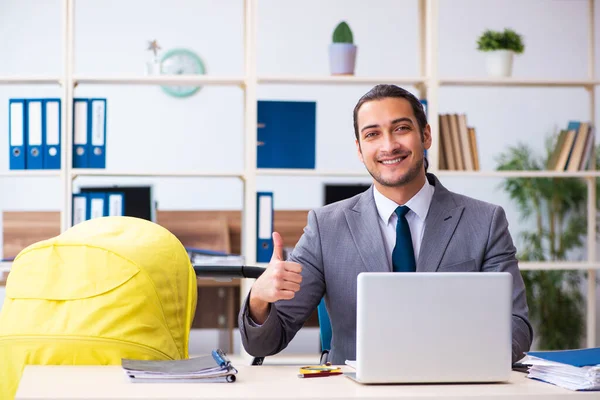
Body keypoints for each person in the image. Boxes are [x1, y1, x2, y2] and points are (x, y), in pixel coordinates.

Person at [238, 84, 533, 365]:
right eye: (372, 134)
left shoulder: (485, 221)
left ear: (426, 135)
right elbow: (264, 344)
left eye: (401, 129)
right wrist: (259, 299)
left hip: (452, 387)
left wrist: (456, 365)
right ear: (359, 148)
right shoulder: (325, 227)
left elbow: (516, 327)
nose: (389, 145)